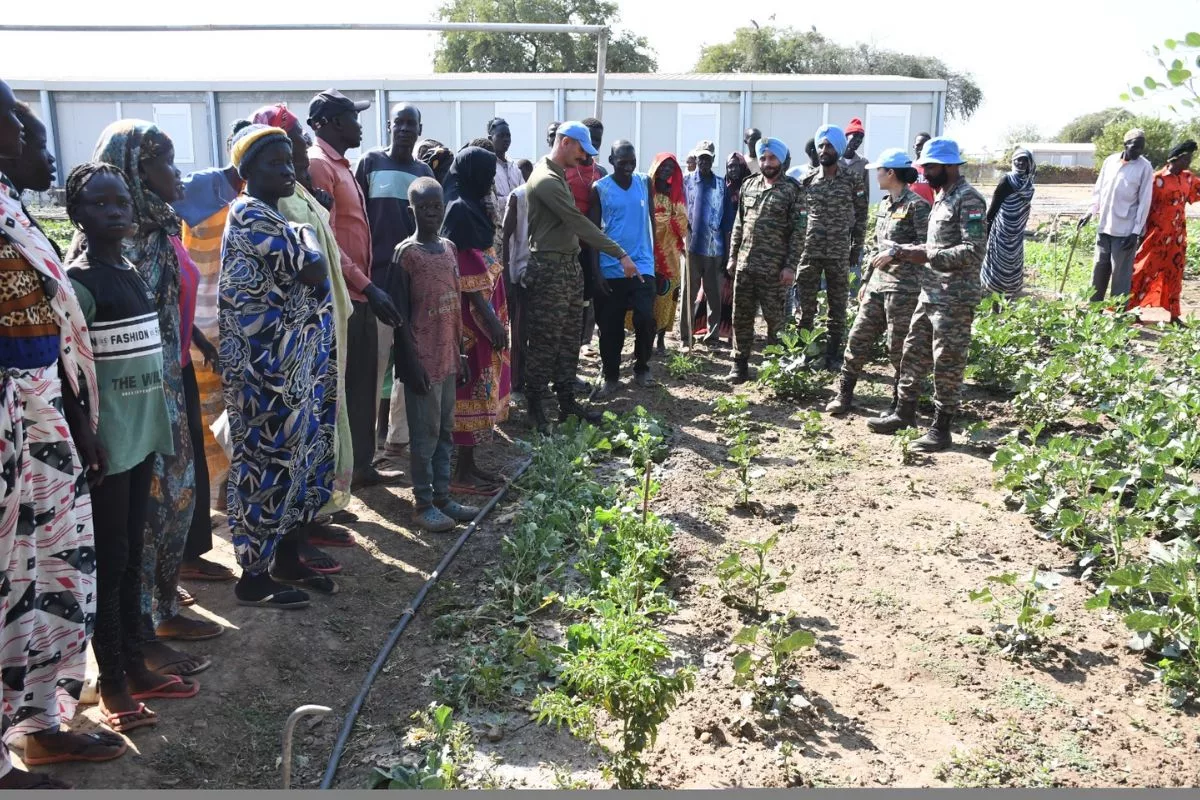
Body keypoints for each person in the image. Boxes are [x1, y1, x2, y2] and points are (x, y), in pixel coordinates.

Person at [0, 82, 123, 789]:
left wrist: (76, 419)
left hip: (43, 416)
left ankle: (39, 723)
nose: (22, 129)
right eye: (11, 118)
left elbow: (51, 328)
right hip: (10, 424)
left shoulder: (12, 208)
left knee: (54, 573)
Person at [75, 120, 221, 671]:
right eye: (163, 162)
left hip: (171, 376)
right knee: (146, 514)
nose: (175, 173)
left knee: (173, 503)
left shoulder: (156, 226)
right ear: (137, 167)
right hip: (135, 398)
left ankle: (158, 607)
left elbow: (166, 303)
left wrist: (199, 339)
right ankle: (143, 629)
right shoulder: (119, 243)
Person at [67, 161, 202, 738]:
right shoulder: (79, 282)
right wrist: (84, 430)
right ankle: (113, 681)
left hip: (143, 435)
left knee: (128, 553)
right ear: (78, 214)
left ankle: (133, 665)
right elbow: (66, 366)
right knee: (113, 554)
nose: (116, 212)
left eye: (121, 201)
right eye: (101, 204)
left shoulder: (128, 268)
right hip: (109, 446)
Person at [220, 124, 340, 607]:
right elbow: (312, 268)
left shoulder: (272, 215)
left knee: (299, 461)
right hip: (265, 376)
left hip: (295, 371)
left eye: (290, 160)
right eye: (274, 163)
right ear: (246, 172)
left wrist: (301, 235)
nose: (287, 170)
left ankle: (287, 559)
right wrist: (307, 231)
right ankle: (252, 577)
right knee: (266, 467)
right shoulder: (250, 215)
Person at [253, 103, 355, 566]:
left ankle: (316, 512)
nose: (297, 151)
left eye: (291, 144)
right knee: (294, 437)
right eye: (288, 144)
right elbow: (307, 265)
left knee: (323, 421)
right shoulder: (270, 207)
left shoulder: (298, 190)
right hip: (292, 340)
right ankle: (296, 533)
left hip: (321, 324)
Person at [307, 89, 403, 490]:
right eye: (352, 116)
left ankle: (361, 466)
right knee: (345, 390)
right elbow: (327, 243)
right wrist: (367, 286)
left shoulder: (343, 166)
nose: (360, 124)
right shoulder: (318, 166)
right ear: (329, 123)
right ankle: (339, 476)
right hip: (342, 295)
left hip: (360, 292)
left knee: (364, 383)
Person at [869, 137, 987, 452]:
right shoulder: (941, 197)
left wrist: (924, 255)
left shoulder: (969, 199)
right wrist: (906, 251)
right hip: (930, 292)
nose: (924, 172)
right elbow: (934, 247)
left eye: (930, 167)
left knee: (947, 362)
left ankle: (941, 429)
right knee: (912, 353)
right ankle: (904, 414)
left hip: (955, 298)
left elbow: (973, 251)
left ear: (948, 166)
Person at [524, 121, 636, 432]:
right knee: (546, 341)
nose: (585, 158)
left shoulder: (558, 175)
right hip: (549, 269)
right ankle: (535, 405)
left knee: (569, 338)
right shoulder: (545, 179)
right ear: (565, 142)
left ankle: (566, 401)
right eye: (581, 150)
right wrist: (620, 253)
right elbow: (577, 221)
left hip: (568, 266)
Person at [386, 178, 479, 531]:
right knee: (423, 438)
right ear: (412, 210)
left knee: (444, 431)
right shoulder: (406, 254)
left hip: (448, 359)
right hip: (422, 362)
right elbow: (399, 317)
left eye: (436, 206)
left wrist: (461, 354)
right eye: (423, 207)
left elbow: (454, 308)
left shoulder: (449, 248)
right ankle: (423, 503)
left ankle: (443, 496)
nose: (431, 213)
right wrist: (410, 364)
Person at [174, 126, 243, 582]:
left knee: (219, 426)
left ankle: (216, 510)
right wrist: (200, 337)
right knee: (200, 430)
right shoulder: (201, 190)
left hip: (202, 336)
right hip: (191, 335)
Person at [355, 103, 433, 470]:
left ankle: (397, 441)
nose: (404, 129)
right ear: (389, 126)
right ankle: (364, 447)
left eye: (411, 124)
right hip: (377, 279)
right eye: (399, 122)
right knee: (375, 364)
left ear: (419, 129)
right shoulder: (370, 163)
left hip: (412, 280)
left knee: (409, 358)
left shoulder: (423, 172)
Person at [826, 149, 929, 415]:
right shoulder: (883, 205)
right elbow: (875, 248)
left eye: (879, 171)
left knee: (898, 348)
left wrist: (897, 251)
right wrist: (866, 280)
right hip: (876, 287)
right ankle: (844, 395)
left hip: (904, 289)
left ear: (891, 173)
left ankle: (899, 404)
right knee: (857, 338)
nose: (876, 175)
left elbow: (927, 247)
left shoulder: (917, 206)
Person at [440, 147, 511, 494]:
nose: (490, 182)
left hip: (486, 314)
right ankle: (460, 473)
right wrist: (491, 321)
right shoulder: (458, 211)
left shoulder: (474, 209)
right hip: (472, 320)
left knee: (482, 388)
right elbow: (464, 277)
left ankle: (470, 465)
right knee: (469, 387)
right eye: (486, 174)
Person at [725, 136, 805, 383]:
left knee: (775, 320)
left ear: (780, 160)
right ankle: (739, 365)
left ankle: (776, 368)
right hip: (746, 265)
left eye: (772, 158)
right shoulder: (748, 185)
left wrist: (791, 266)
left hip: (775, 269)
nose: (767, 162)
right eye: (763, 158)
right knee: (742, 317)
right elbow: (739, 224)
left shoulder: (792, 190)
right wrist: (732, 257)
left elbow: (799, 232)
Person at [795, 124, 869, 371]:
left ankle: (833, 356)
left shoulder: (852, 180)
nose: (824, 150)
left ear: (837, 149)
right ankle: (804, 354)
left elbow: (861, 215)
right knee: (805, 306)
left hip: (839, 253)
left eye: (829, 146)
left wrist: (856, 248)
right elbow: (799, 219)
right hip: (810, 252)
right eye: (821, 146)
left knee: (837, 306)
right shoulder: (807, 182)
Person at [589, 140, 656, 397]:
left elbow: (651, 222)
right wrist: (596, 273)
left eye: (632, 161)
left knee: (646, 318)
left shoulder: (643, 182)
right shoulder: (600, 189)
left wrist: (655, 260)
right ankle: (611, 375)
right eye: (622, 161)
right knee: (610, 325)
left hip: (642, 265)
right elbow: (594, 233)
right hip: (611, 267)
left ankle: (641, 366)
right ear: (611, 160)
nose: (628, 166)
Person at [1128, 140, 1200, 324]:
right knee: (1142, 271)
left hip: (1177, 237)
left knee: (1175, 274)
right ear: (1175, 159)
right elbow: (1143, 205)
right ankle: (1132, 310)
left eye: (1190, 158)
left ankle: (1174, 315)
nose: (1188, 162)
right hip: (1156, 235)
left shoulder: (1188, 178)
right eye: (1186, 158)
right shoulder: (1156, 180)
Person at [1082, 128, 1154, 303]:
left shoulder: (1144, 167)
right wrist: (1090, 212)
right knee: (1099, 270)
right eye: (1135, 147)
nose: (1138, 151)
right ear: (1126, 145)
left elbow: (1144, 201)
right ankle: (1093, 311)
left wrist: (1136, 231)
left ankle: (1119, 318)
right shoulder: (1110, 162)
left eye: (1141, 147)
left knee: (1120, 278)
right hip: (1104, 227)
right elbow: (1099, 190)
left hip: (1125, 232)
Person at [565, 118, 607, 351]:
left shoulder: (600, 172)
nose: (595, 144)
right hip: (569, 243)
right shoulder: (566, 169)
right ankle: (574, 343)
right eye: (591, 139)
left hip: (593, 242)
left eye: (598, 139)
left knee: (591, 292)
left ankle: (586, 341)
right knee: (573, 296)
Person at [683, 147, 726, 346]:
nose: (704, 162)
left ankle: (713, 335)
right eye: (701, 159)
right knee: (689, 293)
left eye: (708, 159)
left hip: (714, 248)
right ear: (696, 160)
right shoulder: (687, 180)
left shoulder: (721, 183)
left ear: (713, 160)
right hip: (692, 247)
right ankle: (686, 336)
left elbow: (726, 217)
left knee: (713, 293)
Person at [647, 153, 690, 353]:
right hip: (648, 251)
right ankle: (645, 336)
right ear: (656, 167)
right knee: (648, 296)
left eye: (670, 167)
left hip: (671, 252)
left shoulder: (676, 193)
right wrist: (662, 219)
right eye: (663, 166)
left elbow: (683, 225)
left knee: (666, 295)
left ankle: (661, 339)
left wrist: (667, 220)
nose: (666, 170)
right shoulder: (647, 191)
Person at [980, 148, 1037, 298]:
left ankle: (1009, 292)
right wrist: (985, 231)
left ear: (1030, 163)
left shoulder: (1029, 183)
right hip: (1001, 232)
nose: (1020, 163)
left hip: (1016, 233)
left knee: (1012, 262)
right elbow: (993, 209)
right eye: (1017, 159)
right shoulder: (1007, 180)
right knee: (998, 262)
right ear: (1012, 162)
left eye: (1024, 160)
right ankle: (993, 293)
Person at [501, 159, 535, 394]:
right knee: (519, 331)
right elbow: (506, 237)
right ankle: (516, 382)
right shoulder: (520, 197)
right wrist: (506, 273)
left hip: (539, 273)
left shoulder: (554, 195)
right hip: (519, 273)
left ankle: (531, 380)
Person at [842, 118, 868, 186]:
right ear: (846, 137)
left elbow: (866, 189)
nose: (858, 140)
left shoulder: (863, 163)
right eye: (855, 136)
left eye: (861, 137)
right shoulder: (834, 159)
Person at [911, 132, 935, 204]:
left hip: (930, 212)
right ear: (914, 146)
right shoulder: (908, 168)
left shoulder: (935, 169)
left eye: (925, 145)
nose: (922, 148)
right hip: (909, 212)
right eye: (919, 145)